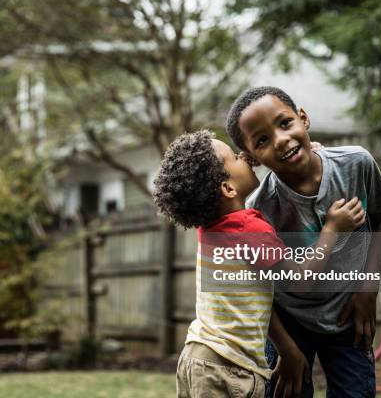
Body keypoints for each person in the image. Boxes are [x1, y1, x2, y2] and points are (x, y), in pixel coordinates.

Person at [152, 130, 365, 397]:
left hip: (197, 357)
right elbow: (301, 281)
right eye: (234, 157)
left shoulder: (212, 229)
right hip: (229, 368)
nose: (244, 157)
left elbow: (259, 299)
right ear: (228, 188)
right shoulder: (250, 230)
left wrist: (302, 156)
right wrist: (333, 229)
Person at [225, 86, 381, 398]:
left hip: (347, 314)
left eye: (285, 123)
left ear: (303, 118)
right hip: (288, 325)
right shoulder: (258, 210)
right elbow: (261, 289)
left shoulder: (356, 163)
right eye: (262, 140)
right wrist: (287, 350)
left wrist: (367, 291)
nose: (280, 140)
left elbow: (377, 223)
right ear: (250, 157)